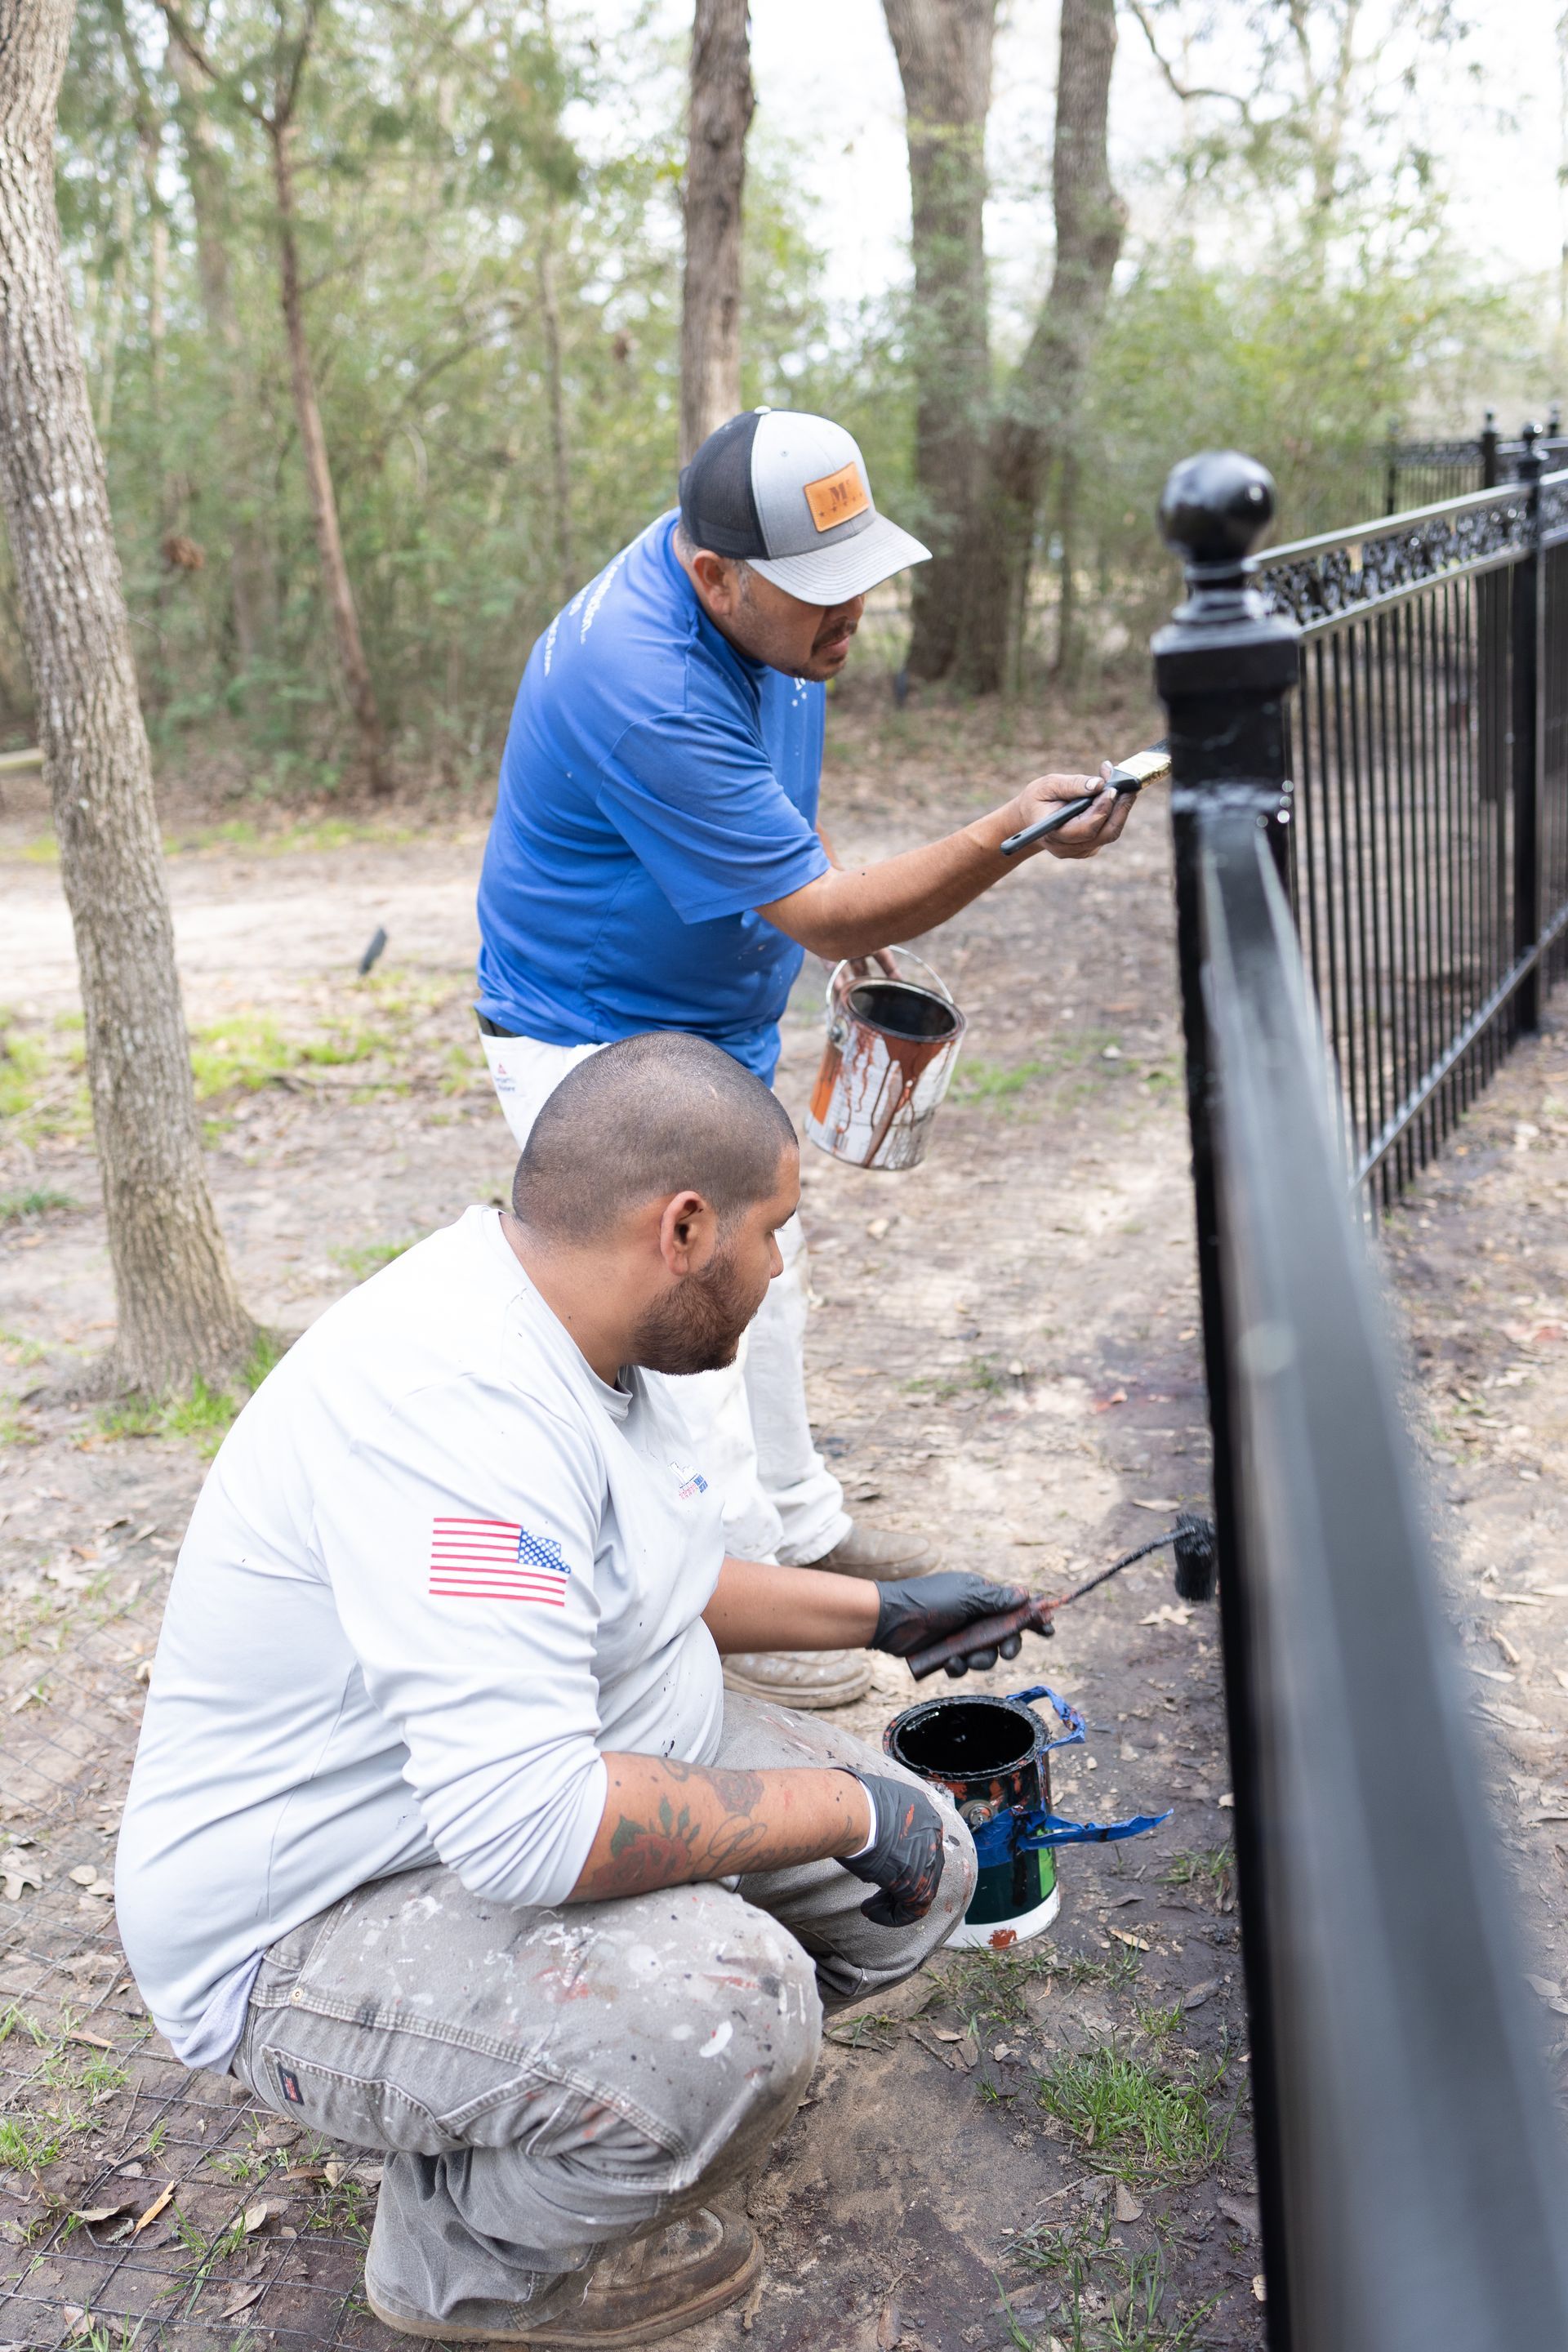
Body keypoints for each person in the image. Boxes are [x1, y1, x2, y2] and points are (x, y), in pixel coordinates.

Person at [116, 1035, 1038, 2349]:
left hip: (543, 1779)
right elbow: (529, 1826)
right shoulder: (461, 1414)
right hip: (313, 1915)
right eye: (774, 1234)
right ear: (684, 1227)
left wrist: (887, 1615)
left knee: (926, 1863)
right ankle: (464, 2257)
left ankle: (610, 2116)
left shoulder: (595, 1327)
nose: (778, 1273)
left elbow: (652, 1575)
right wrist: (833, 1810)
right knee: (737, 2010)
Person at [473, 408, 1134, 1711]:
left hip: (699, 1022)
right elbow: (826, 906)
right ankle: (738, 1626)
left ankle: (798, 1536)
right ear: (714, 575)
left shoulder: (765, 617)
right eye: (823, 593)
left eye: (864, 577)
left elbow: (785, 838)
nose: (856, 613)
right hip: (593, 1034)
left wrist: (828, 910)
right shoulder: (645, 677)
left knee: (768, 1277)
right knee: (693, 1312)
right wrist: (1010, 832)